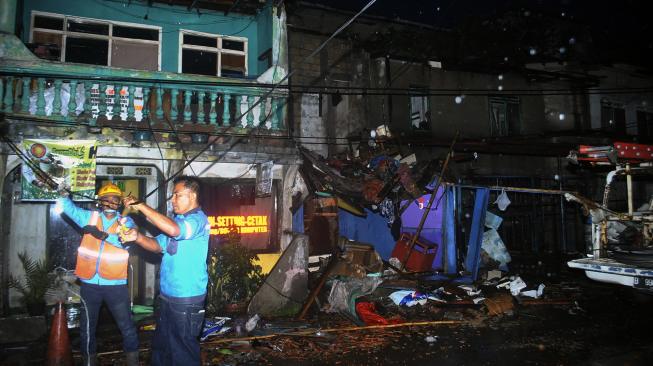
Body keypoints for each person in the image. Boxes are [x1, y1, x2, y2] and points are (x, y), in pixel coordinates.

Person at [120, 176, 209, 365]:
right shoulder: (178, 221)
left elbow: (175, 231)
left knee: (183, 351)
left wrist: (141, 206)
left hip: (186, 299)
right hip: (167, 297)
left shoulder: (197, 221)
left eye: (177, 195)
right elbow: (157, 245)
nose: (173, 200)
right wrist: (136, 237)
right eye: (173, 196)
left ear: (192, 195)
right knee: (162, 347)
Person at [55, 182, 139, 366]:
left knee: (127, 327)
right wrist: (62, 193)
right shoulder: (89, 217)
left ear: (119, 203)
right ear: (100, 202)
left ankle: (133, 361)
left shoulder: (126, 221)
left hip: (115, 285)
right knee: (87, 328)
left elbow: (126, 241)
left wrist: (103, 236)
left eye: (114, 199)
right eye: (106, 199)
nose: (110, 202)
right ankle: (89, 362)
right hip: (89, 284)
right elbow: (67, 208)